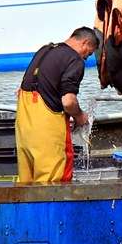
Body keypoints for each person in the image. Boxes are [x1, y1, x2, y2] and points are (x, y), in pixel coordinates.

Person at [15, 27, 100, 184]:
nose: (85, 58)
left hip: (24, 129)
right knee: (54, 183)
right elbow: (68, 102)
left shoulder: (45, 50)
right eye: (88, 54)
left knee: (26, 183)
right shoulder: (74, 60)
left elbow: (20, 89)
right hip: (47, 133)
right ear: (85, 43)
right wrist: (80, 116)